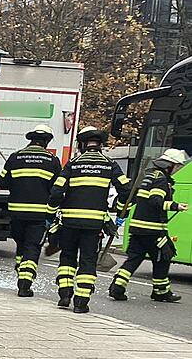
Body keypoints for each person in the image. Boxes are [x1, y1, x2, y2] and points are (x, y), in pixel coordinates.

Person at [47, 126, 131, 313]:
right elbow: (126, 190)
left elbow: (56, 192)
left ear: (83, 144)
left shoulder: (73, 164)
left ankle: (65, 295)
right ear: (100, 145)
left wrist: (51, 214)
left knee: (67, 257)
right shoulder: (110, 164)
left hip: (69, 222)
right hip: (94, 225)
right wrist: (120, 212)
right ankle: (81, 303)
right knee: (87, 260)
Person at [109, 148, 189, 302]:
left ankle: (117, 287)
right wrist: (175, 206)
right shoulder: (161, 180)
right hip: (153, 229)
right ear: (169, 165)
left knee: (134, 259)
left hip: (138, 228)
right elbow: (155, 201)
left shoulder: (150, 176)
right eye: (177, 166)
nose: (177, 169)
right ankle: (160, 291)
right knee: (163, 257)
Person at [0, 124, 63, 297]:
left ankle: (21, 272)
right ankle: (25, 284)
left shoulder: (15, 157)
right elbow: (57, 189)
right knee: (32, 247)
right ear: (47, 141)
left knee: (21, 245)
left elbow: (2, 182)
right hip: (39, 215)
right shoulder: (52, 161)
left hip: (16, 213)